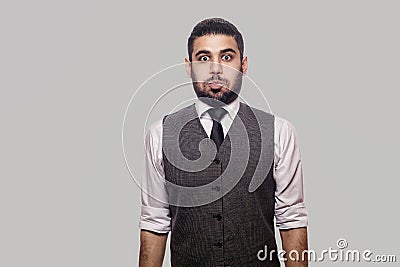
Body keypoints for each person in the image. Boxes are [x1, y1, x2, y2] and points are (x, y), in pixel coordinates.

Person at [139, 17, 308, 267]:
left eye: (227, 57)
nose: (216, 69)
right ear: (189, 66)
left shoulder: (279, 132)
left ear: (244, 64)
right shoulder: (160, 134)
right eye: (204, 58)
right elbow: (154, 222)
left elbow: (291, 219)